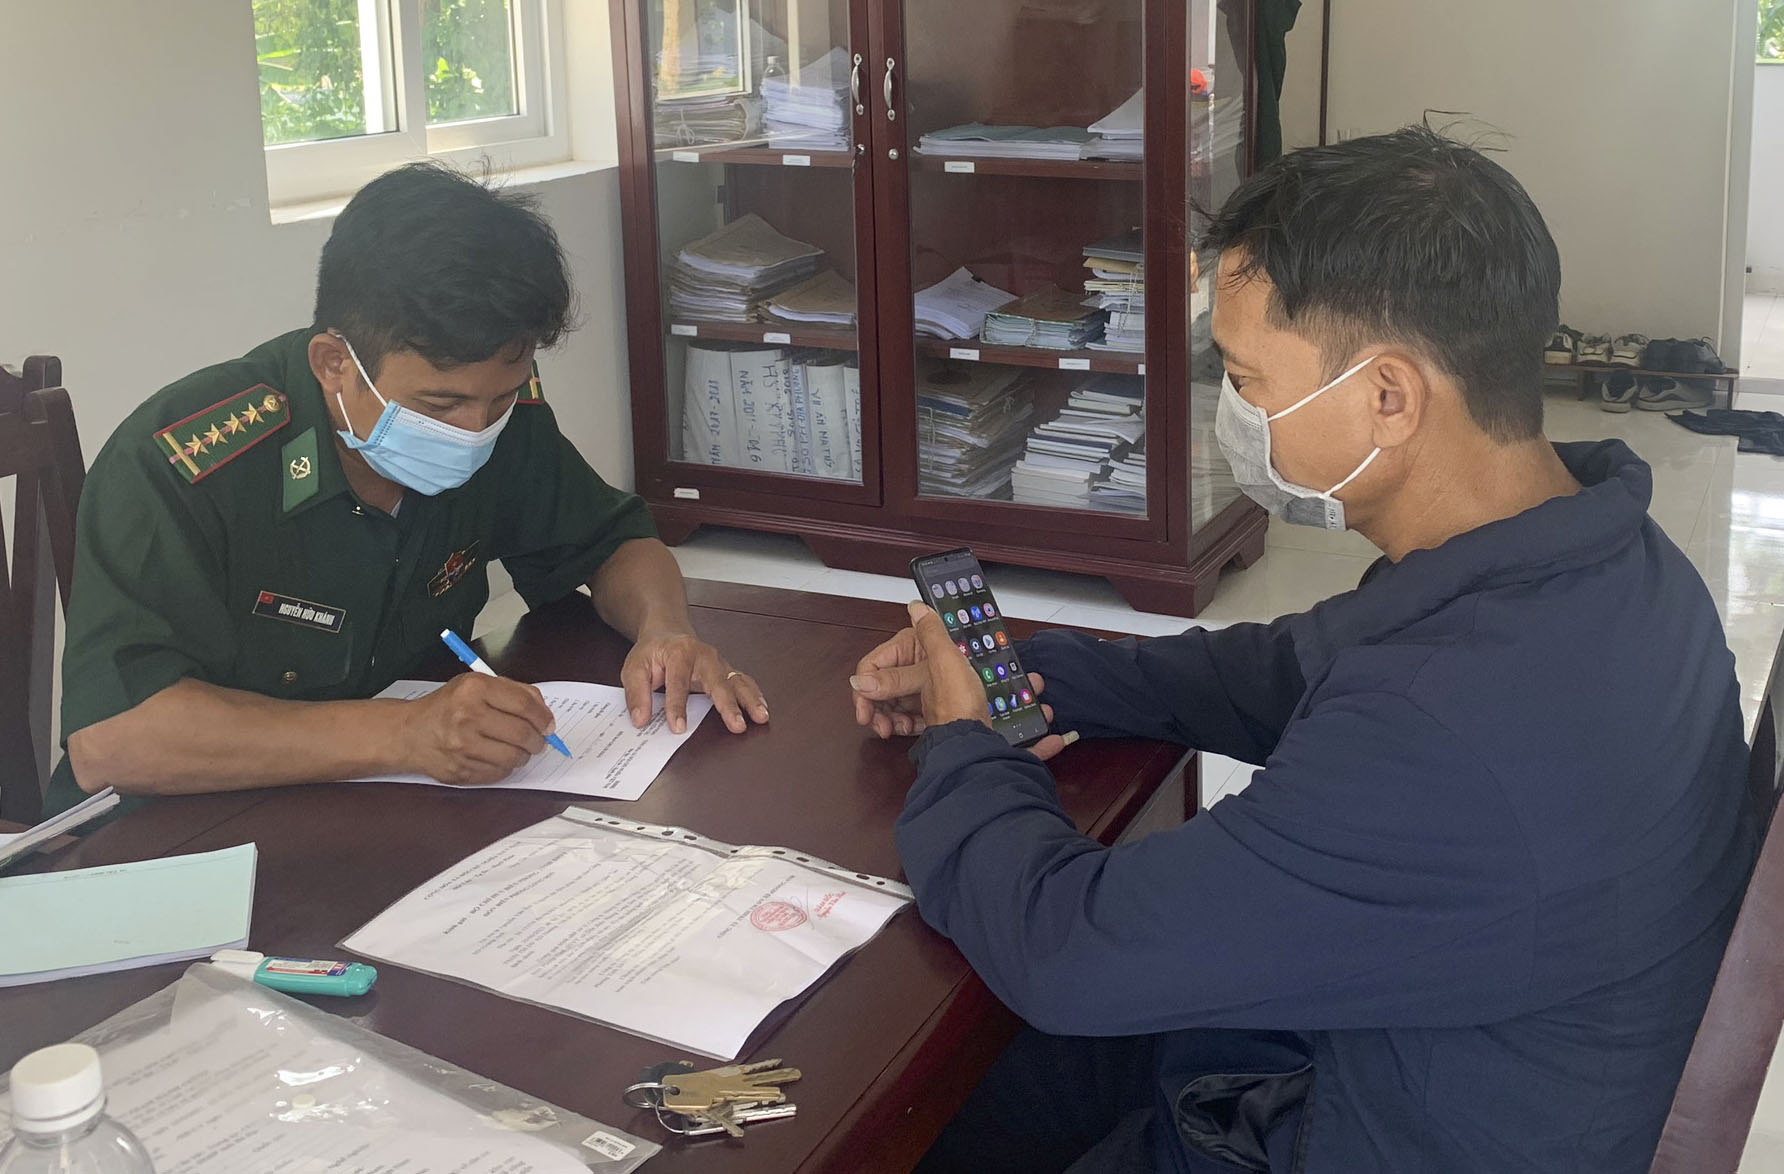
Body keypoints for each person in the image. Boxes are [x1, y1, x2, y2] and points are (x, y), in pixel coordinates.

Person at [849, 126, 1757, 1173]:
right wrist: (1026, 672)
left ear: (1388, 396)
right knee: (1012, 1081)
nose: (1232, 411)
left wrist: (966, 747)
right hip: (1440, 1052)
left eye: (1246, 378)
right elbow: (1284, 669)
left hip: (1384, 1128)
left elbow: (1070, 953)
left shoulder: (1444, 727)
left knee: (953, 1062)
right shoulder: (1603, 560)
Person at [52, 163, 767, 814]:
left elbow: (611, 541)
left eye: (499, 398)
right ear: (334, 363)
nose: (474, 430)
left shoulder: (497, 413)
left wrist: (663, 629)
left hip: (389, 810)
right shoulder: (186, 459)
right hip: (180, 834)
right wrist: (404, 734)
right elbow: (113, 740)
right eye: (439, 406)